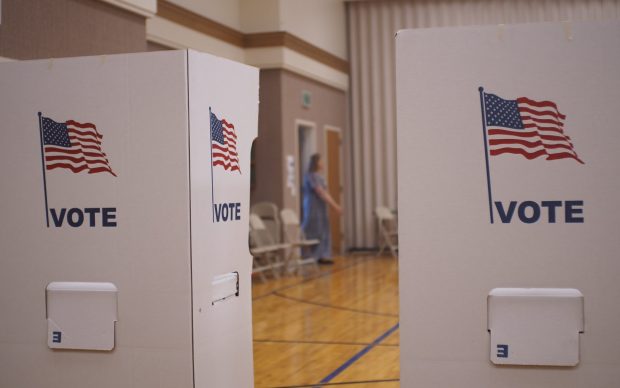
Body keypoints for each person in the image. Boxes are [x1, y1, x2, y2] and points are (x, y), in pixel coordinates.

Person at [301, 153, 342, 264]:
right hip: (312, 208)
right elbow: (320, 192)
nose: (323, 163)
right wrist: (334, 206)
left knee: (323, 229)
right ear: (316, 162)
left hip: (321, 208)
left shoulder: (320, 177)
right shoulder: (310, 176)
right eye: (321, 161)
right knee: (312, 230)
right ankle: (308, 255)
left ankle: (322, 255)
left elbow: (326, 193)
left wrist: (333, 204)